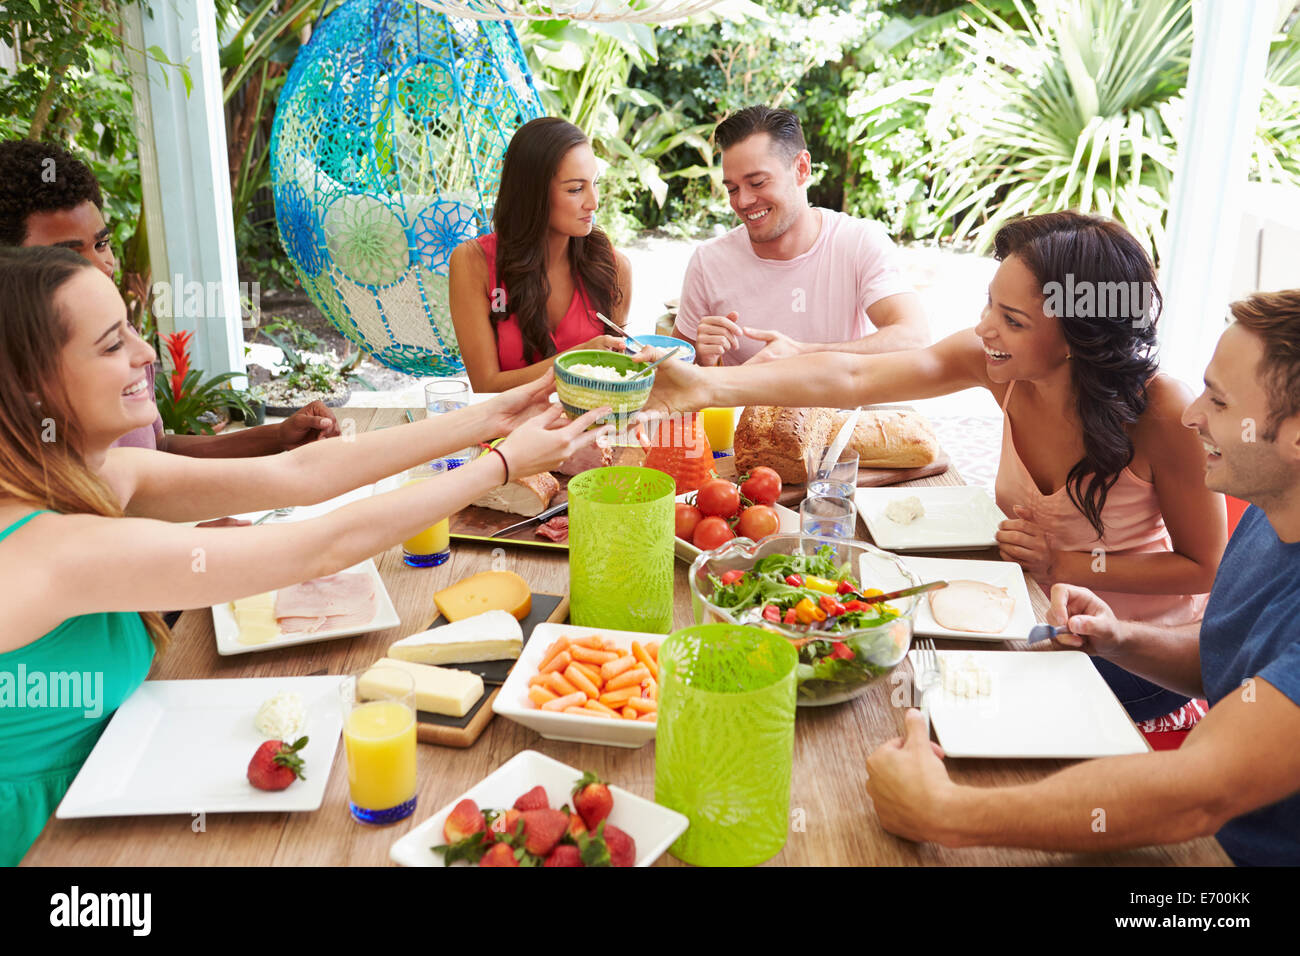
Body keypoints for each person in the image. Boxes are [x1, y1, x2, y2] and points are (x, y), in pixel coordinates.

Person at [0, 245, 610, 866]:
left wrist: (494, 415)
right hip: (47, 838)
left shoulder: (87, 472)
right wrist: (500, 464)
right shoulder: (47, 547)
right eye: (111, 345)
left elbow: (301, 473)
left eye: (133, 325)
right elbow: (320, 547)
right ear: (27, 387)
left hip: (118, 781)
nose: (147, 352)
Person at [645, 211, 1226, 727]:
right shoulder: (1004, 367)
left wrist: (1066, 564)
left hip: (1132, 659)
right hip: (1016, 612)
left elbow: (1206, 568)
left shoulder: (1162, 414)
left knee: (909, 709)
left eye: (1013, 319)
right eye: (989, 304)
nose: (984, 328)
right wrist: (706, 385)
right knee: (879, 691)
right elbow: (852, 380)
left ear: (1079, 335)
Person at [865, 289, 1300, 866]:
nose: (1191, 415)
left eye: (1218, 402)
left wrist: (943, 812)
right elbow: (1236, 660)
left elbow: (1197, 796)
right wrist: (1122, 637)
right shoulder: (1275, 513)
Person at [0, 138, 340, 459]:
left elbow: (154, 450)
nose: (102, 265)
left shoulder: (122, 336)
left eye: (102, 244)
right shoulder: (16, 390)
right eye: (68, 256)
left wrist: (278, 437)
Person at [671, 105, 929, 367]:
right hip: (742, 409)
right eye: (732, 189)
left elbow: (913, 339)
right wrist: (704, 361)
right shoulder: (709, 261)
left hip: (834, 409)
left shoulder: (857, 242)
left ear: (802, 168)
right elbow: (673, 375)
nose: (744, 201)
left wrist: (801, 353)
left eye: (758, 182)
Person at [449, 117, 633, 393]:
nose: (593, 202)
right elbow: (486, 385)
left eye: (595, 183)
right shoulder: (473, 262)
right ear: (532, 193)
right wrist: (576, 361)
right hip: (507, 432)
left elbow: (614, 379)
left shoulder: (614, 269)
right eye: (575, 189)